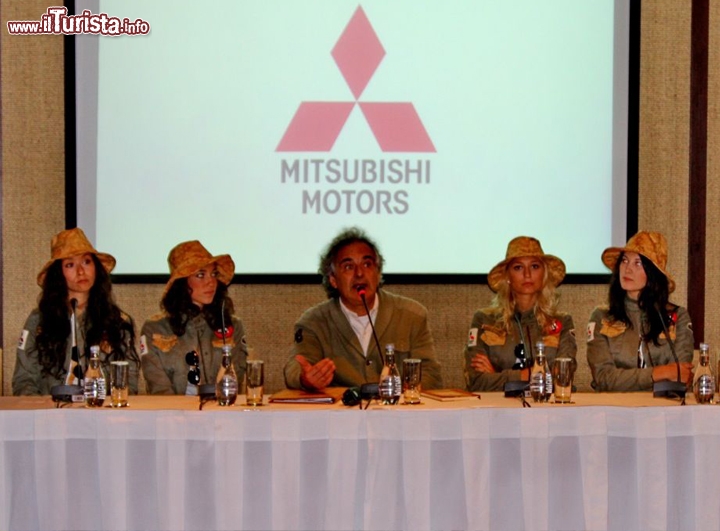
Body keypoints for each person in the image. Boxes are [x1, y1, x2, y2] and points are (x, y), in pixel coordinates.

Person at [284, 227, 443, 391]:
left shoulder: (412, 315)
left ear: (378, 273)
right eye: (348, 267)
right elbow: (295, 369)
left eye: (367, 264)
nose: (359, 273)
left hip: (397, 412)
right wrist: (306, 379)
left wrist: (398, 395)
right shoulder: (314, 322)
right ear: (333, 279)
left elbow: (430, 374)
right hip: (339, 414)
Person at [13, 228, 140, 395]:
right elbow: (24, 380)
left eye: (87, 262)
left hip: (102, 415)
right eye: (70, 265)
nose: (81, 271)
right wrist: (42, 415)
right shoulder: (39, 321)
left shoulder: (117, 321)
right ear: (59, 273)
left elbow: (128, 380)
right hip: (51, 414)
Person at [464, 236, 576, 392]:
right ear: (507, 276)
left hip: (548, 411)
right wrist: (531, 375)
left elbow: (562, 377)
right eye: (518, 267)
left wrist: (498, 375)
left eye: (535, 266)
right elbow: (475, 381)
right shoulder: (484, 320)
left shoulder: (562, 321)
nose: (527, 274)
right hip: (498, 411)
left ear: (544, 275)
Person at [587, 231, 693, 392]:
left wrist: (627, 379)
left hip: (662, 410)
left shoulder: (678, 317)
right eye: (624, 261)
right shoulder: (601, 317)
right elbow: (603, 378)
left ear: (653, 274)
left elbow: (680, 375)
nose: (627, 269)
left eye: (638, 263)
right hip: (614, 410)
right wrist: (658, 373)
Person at [140, 240, 248, 394]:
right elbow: (159, 388)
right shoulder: (155, 328)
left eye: (213, 274)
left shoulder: (232, 325)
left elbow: (234, 381)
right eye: (200, 275)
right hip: (172, 414)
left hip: (222, 413)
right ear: (182, 282)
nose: (211, 282)